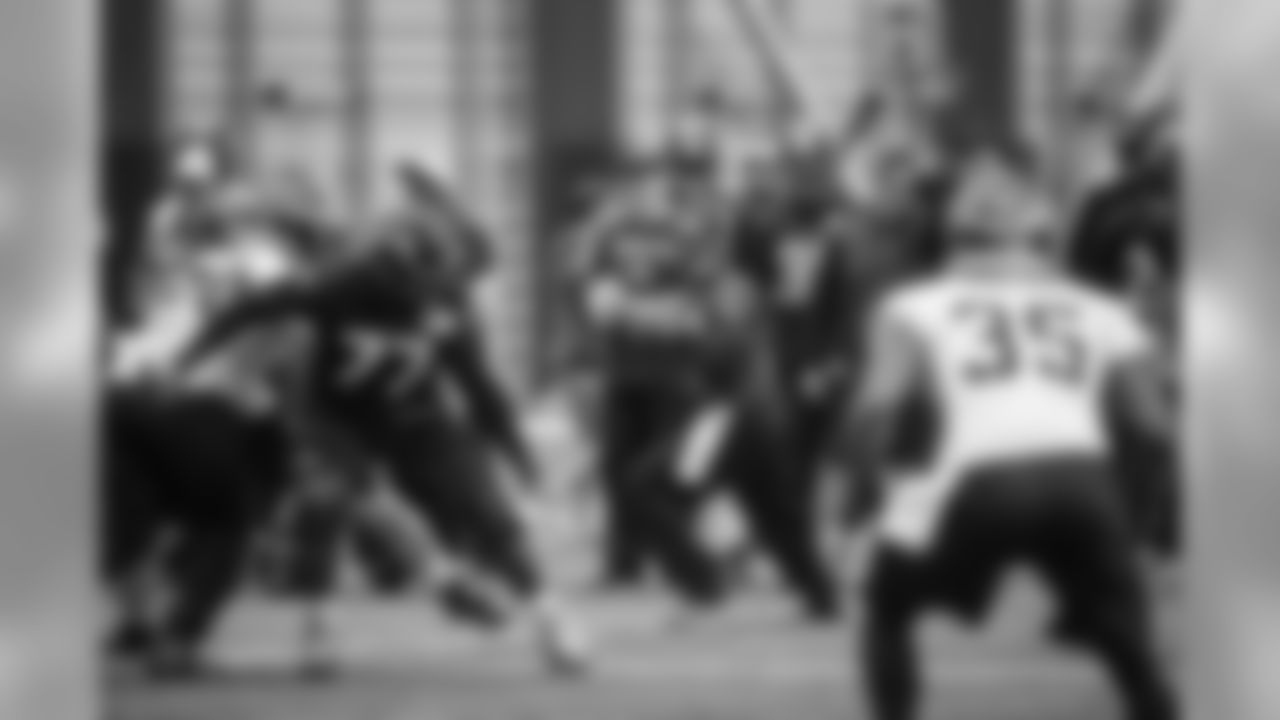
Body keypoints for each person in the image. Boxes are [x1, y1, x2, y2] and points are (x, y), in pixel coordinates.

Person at [835, 151, 1178, 720]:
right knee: (1131, 649)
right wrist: (1129, 524)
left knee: (888, 603)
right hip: (1082, 480)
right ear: (1041, 241)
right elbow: (1153, 428)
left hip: (977, 480)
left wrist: (861, 500)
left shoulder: (913, 305)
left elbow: (875, 410)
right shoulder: (1098, 308)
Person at [179, 220, 589, 675]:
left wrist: (519, 456)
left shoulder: (446, 303)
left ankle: (551, 615)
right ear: (385, 272)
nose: (423, 295)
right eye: (416, 284)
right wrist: (186, 360)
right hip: (340, 418)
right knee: (327, 501)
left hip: (417, 413)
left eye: (435, 283)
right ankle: (320, 624)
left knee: (485, 507)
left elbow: (479, 386)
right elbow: (246, 310)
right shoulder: (334, 287)